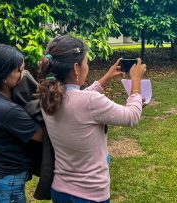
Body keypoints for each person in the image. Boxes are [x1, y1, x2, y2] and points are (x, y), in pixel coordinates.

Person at [36, 35, 146, 203]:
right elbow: (132, 116)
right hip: (90, 194)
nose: (87, 66)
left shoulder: (47, 98)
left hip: (60, 190)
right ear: (76, 68)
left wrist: (106, 77)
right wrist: (136, 82)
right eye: (86, 62)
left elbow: (78, 98)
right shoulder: (88, 102)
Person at [0, 44, 43, 203]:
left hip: (1, 182)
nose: (24, 74)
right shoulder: (7, 110)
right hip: (5, 186)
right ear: (4, 76)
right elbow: (42, 135)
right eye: (19, 70)